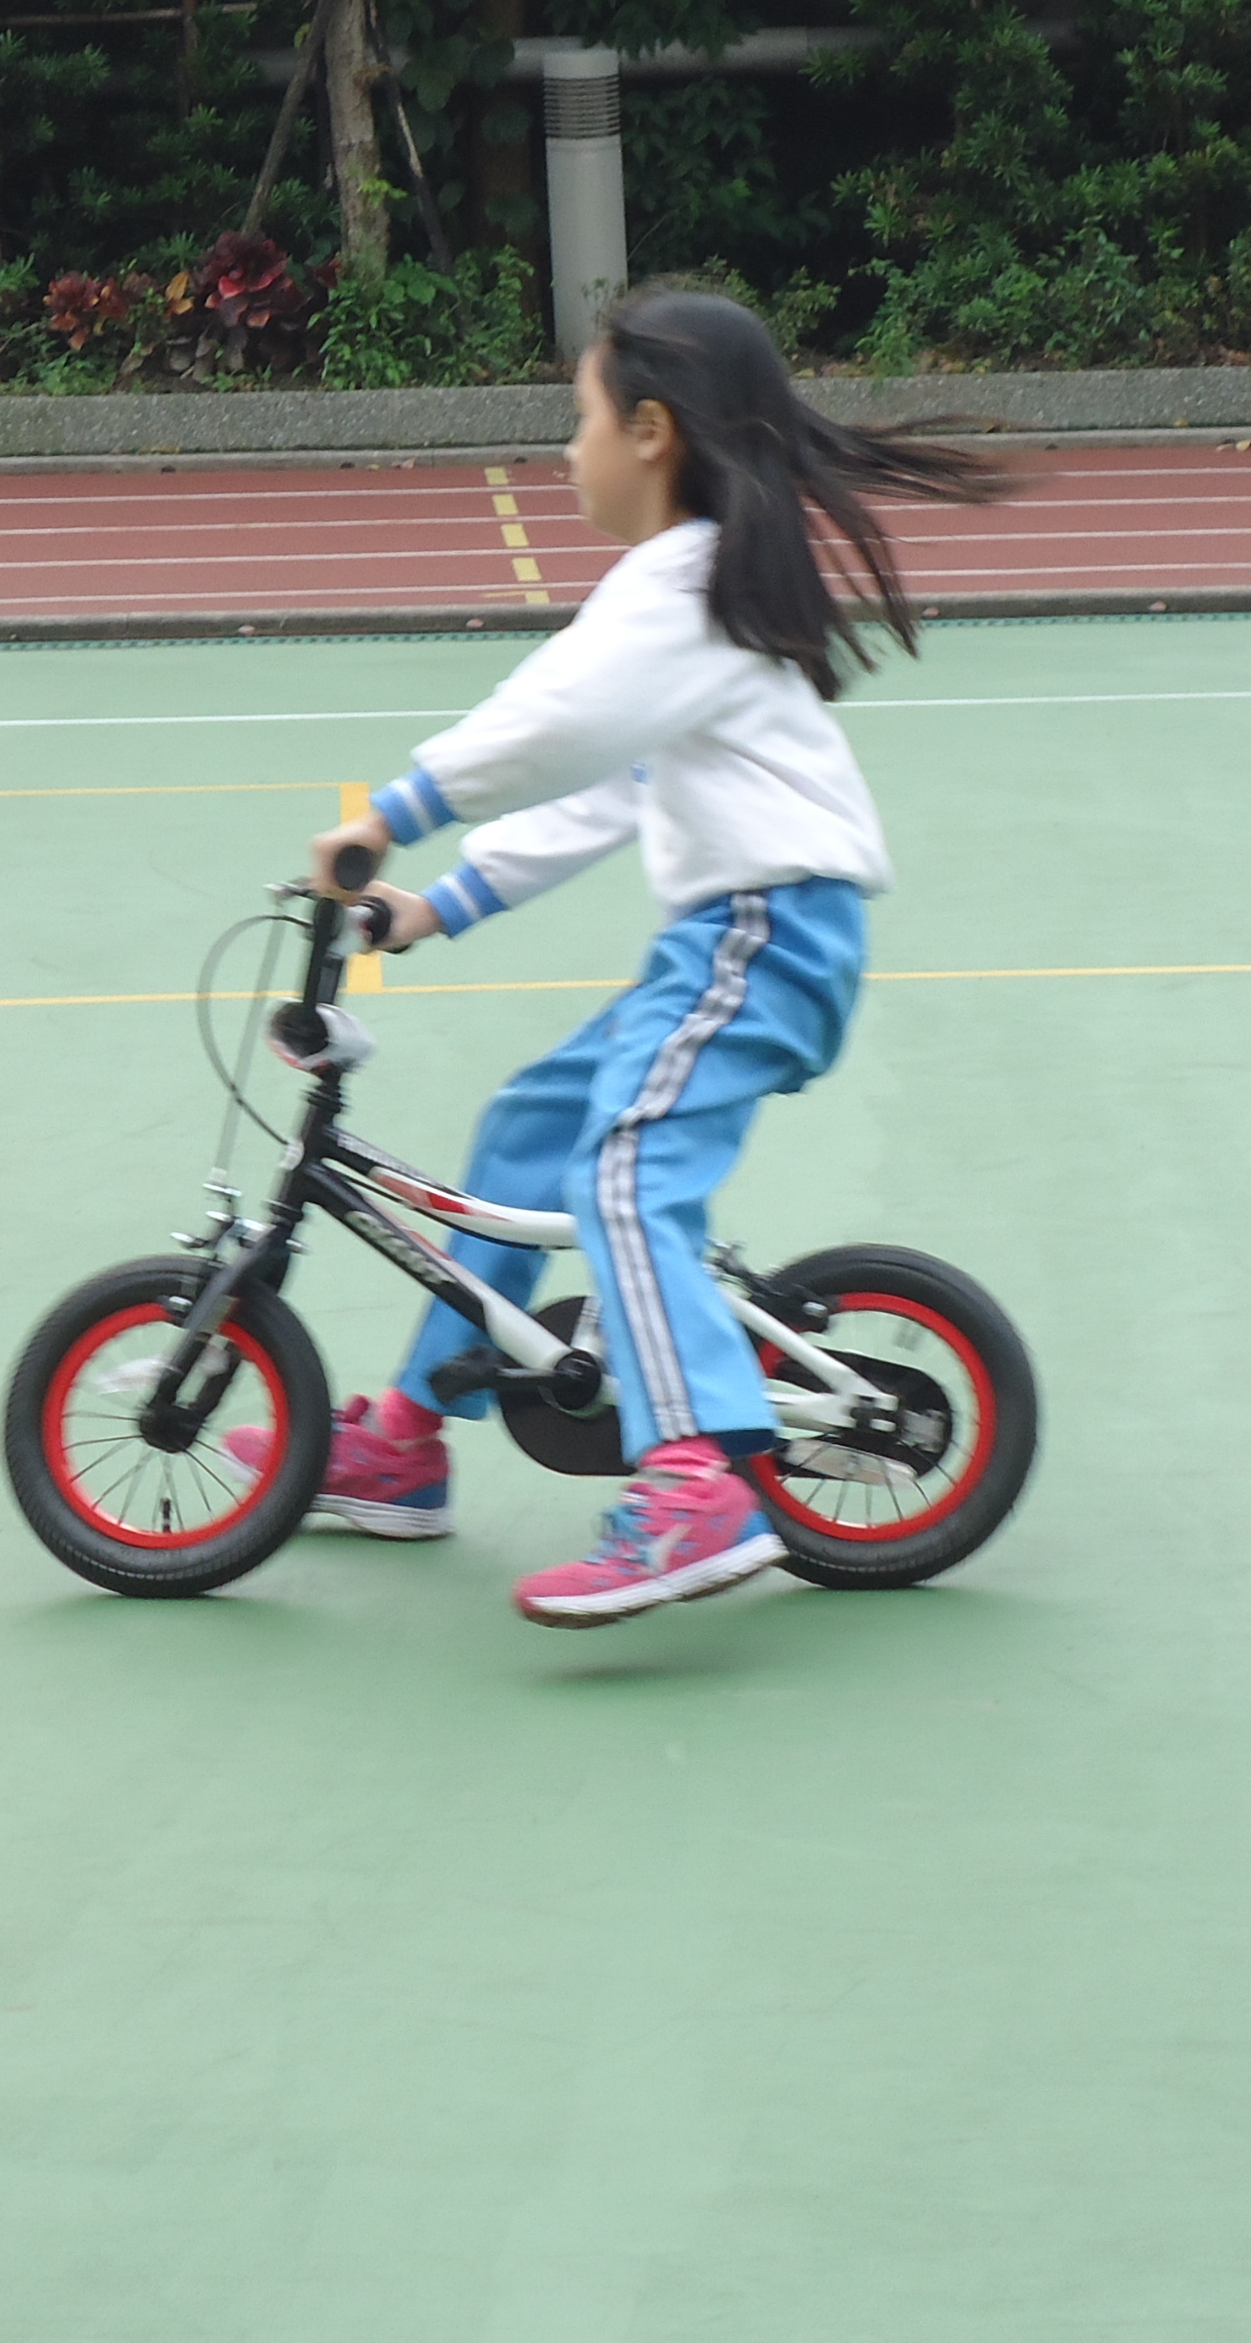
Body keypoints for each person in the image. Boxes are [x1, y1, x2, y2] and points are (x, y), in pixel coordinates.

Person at [228, 284, 1007, 1627]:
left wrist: (391, 815)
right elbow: (607, 789)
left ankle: (697, 1479)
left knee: (627, 1168)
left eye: (578, 419)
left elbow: (554, 727)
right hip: (738, 936)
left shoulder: (683, 584)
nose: (564, 450)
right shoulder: (696, 590)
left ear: (650, 431)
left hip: (766, 933)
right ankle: (406, 1438)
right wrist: (440, 905)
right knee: (533, 1127)